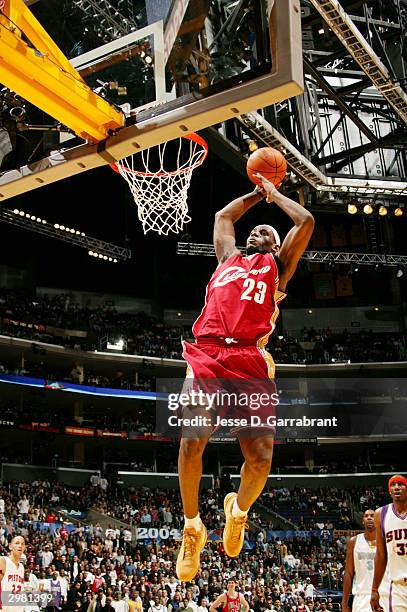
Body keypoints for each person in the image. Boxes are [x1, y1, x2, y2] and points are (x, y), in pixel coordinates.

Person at [176, 172, 314, 584]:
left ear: (275, 244)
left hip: (250, 358)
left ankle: (237, 513)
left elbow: (304, 221)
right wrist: (256, 196)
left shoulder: (279, 266)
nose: (257, 231)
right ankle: (192, 527)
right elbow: (223, 216)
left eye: (266, 231)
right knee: (190, 440)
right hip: (208, 351)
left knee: (261, 457)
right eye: (254, 230)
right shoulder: (227, 260)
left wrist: (275, 196)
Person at [371, 474, 407, 612]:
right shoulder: (381, 514)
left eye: (400, 484)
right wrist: (374, 589)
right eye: (393, 484)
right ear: (389, 491)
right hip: (397, 587)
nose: (397, 487)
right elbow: (380, 555)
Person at [342, 509, 389, 612]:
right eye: (366, 516)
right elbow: (349, 573)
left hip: (384, 595)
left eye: (372, 516)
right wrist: (344, 602)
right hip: (361, 597)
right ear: (363, 521)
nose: (369, 518)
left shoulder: (387, 541)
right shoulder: (353, 542)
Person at [0, 535, 26, 612]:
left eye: (23, 544)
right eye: (17, 543)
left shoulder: (22, 567)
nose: (20, 546)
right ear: (10, 546)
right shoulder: (3, 561)